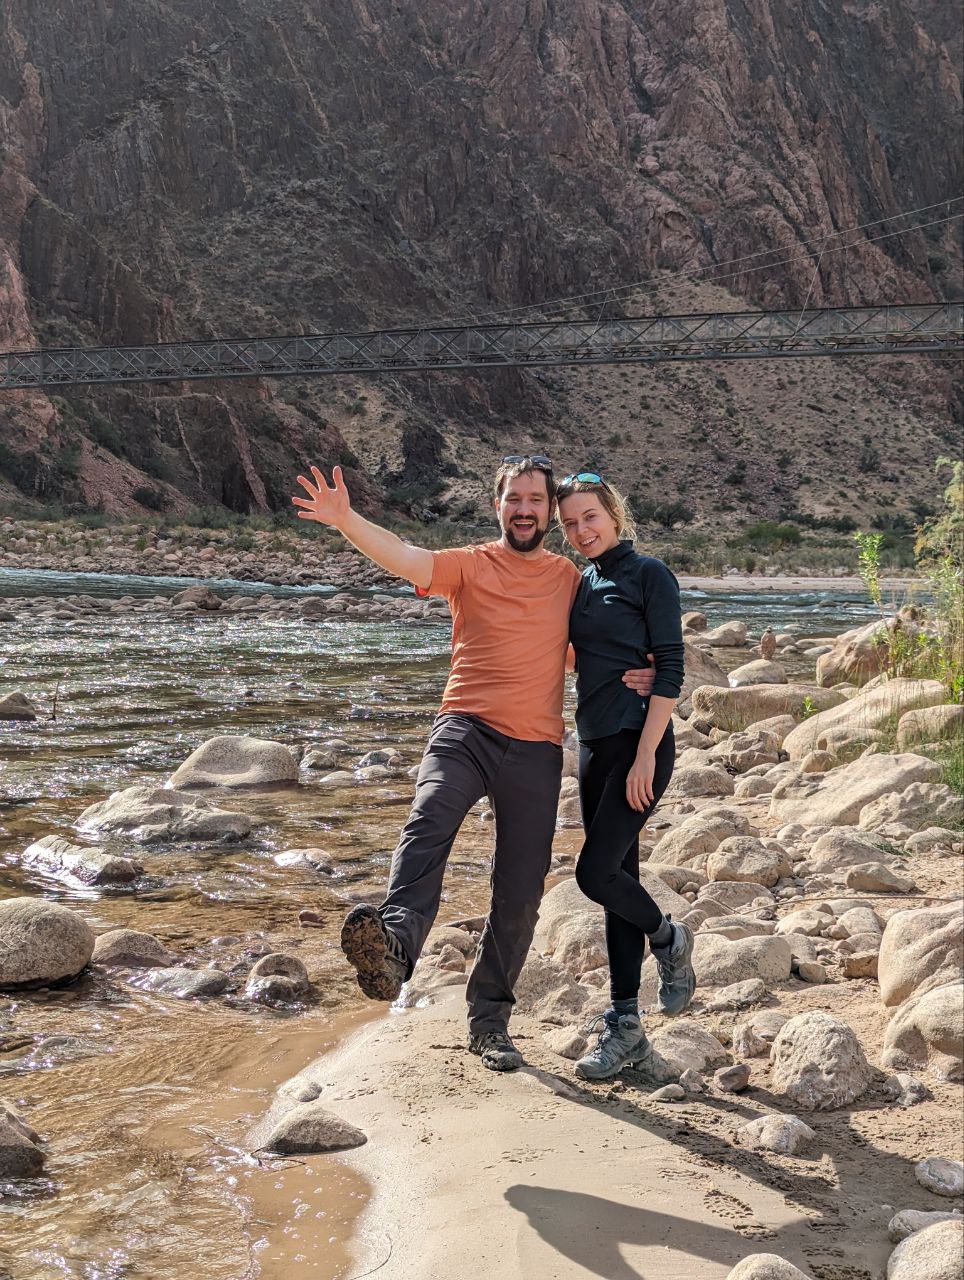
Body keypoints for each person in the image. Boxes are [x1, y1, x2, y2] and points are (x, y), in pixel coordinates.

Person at [291, 456, 656, 1072]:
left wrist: (645, 670)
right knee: (427, 821)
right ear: (498, 506)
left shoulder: (569, 579)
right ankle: (395, 948)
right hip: (464, 728)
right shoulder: (469, 564)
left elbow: (589, 647)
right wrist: (345, 518)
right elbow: (406, 557)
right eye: (514, 498)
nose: (524, 509)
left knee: (519, 891)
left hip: (537, 747)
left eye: (535, 501)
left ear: (549, 513)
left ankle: (489, 1021)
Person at [555, 470, 694, 1081]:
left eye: (590, 516)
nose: (581, 530)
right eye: (570, 524)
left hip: (641, 746)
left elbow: (670, 667)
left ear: (613, 513)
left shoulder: (649, 574)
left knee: (594, 872)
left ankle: (668, 938)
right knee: (617, 880)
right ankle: (626, 1025)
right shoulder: (579, 583)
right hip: (592, 745)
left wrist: (646, 752)